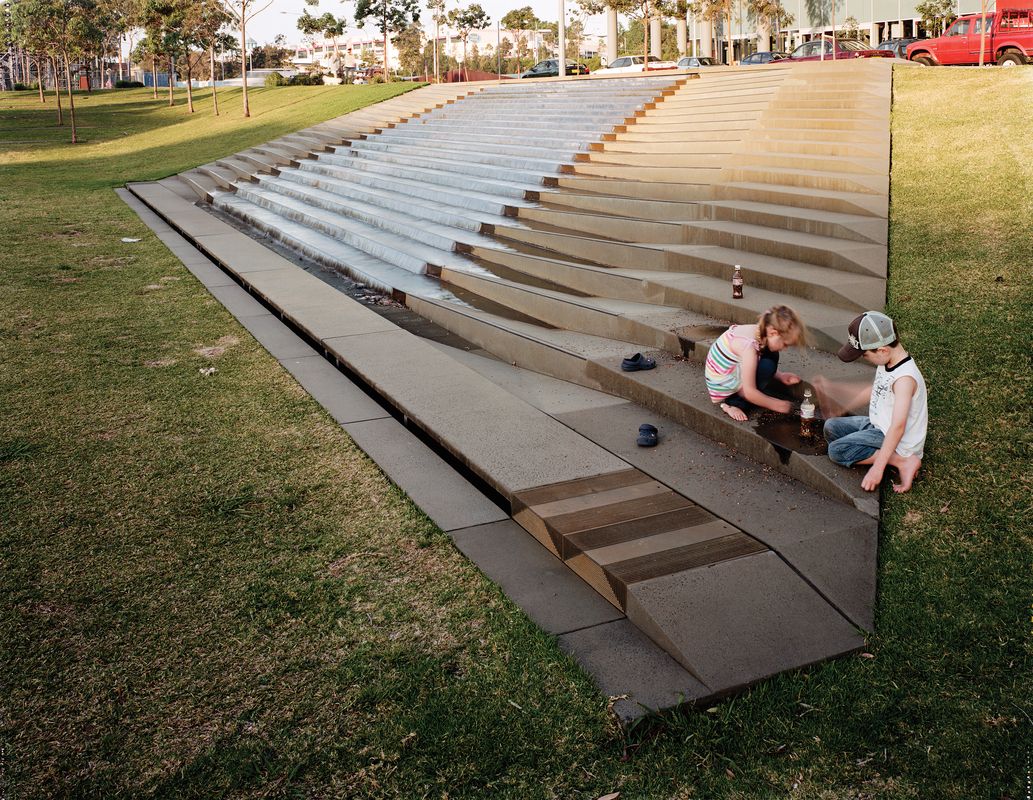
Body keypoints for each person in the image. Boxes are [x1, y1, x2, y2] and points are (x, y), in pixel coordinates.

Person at [821, 311, 927, 494]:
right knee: (830, 427)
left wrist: (878, 468)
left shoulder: (904, 379)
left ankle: (902, 461)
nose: (865, 359)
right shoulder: (887, 361)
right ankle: (877, 451)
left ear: (882, 350)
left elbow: (898, 427)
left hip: (897, 439)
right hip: (878, 426)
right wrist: (844, 405)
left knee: (836, 451)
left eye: (865, 355)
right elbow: (874, 390)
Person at [705, 305, 806, 422]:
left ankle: (747, 393)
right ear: (773, 333)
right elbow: (749, 392)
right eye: (785, 344)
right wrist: (777, 405)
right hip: (722, 383)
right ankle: (733, 404)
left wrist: (780, 375)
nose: (785, 348)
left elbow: (755, 359)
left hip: (732, 369)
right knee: (767, 366)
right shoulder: (748, 347)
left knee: (771, 354)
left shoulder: (760, 332)